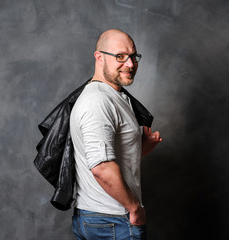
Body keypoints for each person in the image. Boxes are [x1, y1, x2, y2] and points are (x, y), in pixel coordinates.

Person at [70, 29, 162, 239]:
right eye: (120, 56)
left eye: (133, 56)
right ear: (99, 57)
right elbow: (101, 168)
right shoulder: (98, 101)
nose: (130, 64)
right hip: (111, 221)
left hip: (101, 219)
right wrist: (134, 208)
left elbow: (108, 158)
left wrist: (139, 148)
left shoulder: (115, 96)